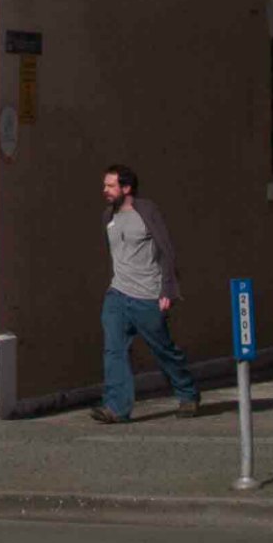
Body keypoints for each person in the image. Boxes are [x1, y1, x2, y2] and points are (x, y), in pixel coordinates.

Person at [92, 162, 200, 424]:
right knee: (114, 350)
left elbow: (166, 250)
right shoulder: (109, 216)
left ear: (126, 188)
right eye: (105, 185)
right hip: (117, 294)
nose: (104, 189)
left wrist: (167, 289)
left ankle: (188, 394)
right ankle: (116, 408)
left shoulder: (147, 212)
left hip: (148, 295)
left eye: (110, 185)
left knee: (163, 349)